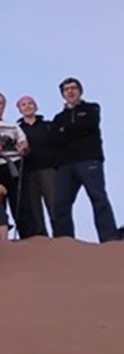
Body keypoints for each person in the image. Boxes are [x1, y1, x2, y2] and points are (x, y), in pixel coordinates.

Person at [51, 77, 119, 242]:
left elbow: (88, 126)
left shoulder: (91, 108)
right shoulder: (58, 117)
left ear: (80, 91)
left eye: (73, 88)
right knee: (61, 204)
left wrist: (65, 131)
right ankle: (64, 242)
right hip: (65, 164)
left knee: (98, 197)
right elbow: (54, 138)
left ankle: (109, 238)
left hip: (89, 160)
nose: (70, 91)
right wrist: (66, 131)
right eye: (66, 89)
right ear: (62, 94)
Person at [0, 92, 29, 237]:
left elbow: (23, 142)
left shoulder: (13, 125)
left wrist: (24, 147)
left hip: (12, 167)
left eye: (0, 103)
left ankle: (27, 239)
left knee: (19, 204)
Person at [16, 95, 57, 238]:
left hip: (48, 169)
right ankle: (42, 239)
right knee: (34, 209)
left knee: (54, 205)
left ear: (36, 106)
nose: (27, 106)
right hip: (28, 171)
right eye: (23, 105)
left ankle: (60, 237)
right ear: (19, 109)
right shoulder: (17, 129)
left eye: (30, 103)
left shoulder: (48, 125)